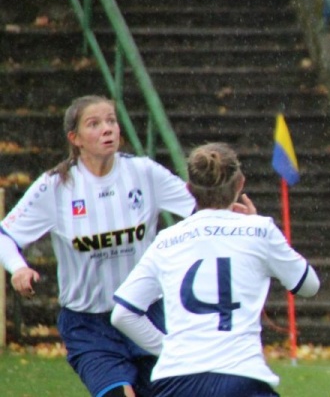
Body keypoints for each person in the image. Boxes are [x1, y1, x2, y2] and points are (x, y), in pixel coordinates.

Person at [0, 95, 197, 397]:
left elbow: (202, 210)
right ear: (74, 138)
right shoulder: (54, 186)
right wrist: (18, 268)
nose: (108, 129)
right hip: (89, 325)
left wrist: (238, 219)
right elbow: (5, 236)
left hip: (148, 314)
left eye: (111, 121)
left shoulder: (145, 173)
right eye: (94, 124)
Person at [111, 142, 321, 397]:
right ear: (240, 183)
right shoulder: (259, 230)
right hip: (241, 378)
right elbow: (310, 286)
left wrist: (169, 348)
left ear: (189, 190)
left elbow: (123, 314)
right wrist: (266, 238)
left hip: (175, 380)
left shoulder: (166, 240)